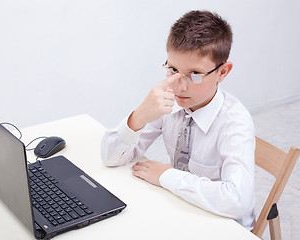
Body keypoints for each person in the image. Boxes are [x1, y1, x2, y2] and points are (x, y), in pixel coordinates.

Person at [101, 10, 256, 230]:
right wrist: (140, 115)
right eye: (173, 70)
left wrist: (167, 176)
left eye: (195, 74)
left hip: (222, 226)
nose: (179, 86)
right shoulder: (172, 101)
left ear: (222, 72)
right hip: (180, 208)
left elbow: (237, 202)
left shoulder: (235, 122)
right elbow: (110, 157)